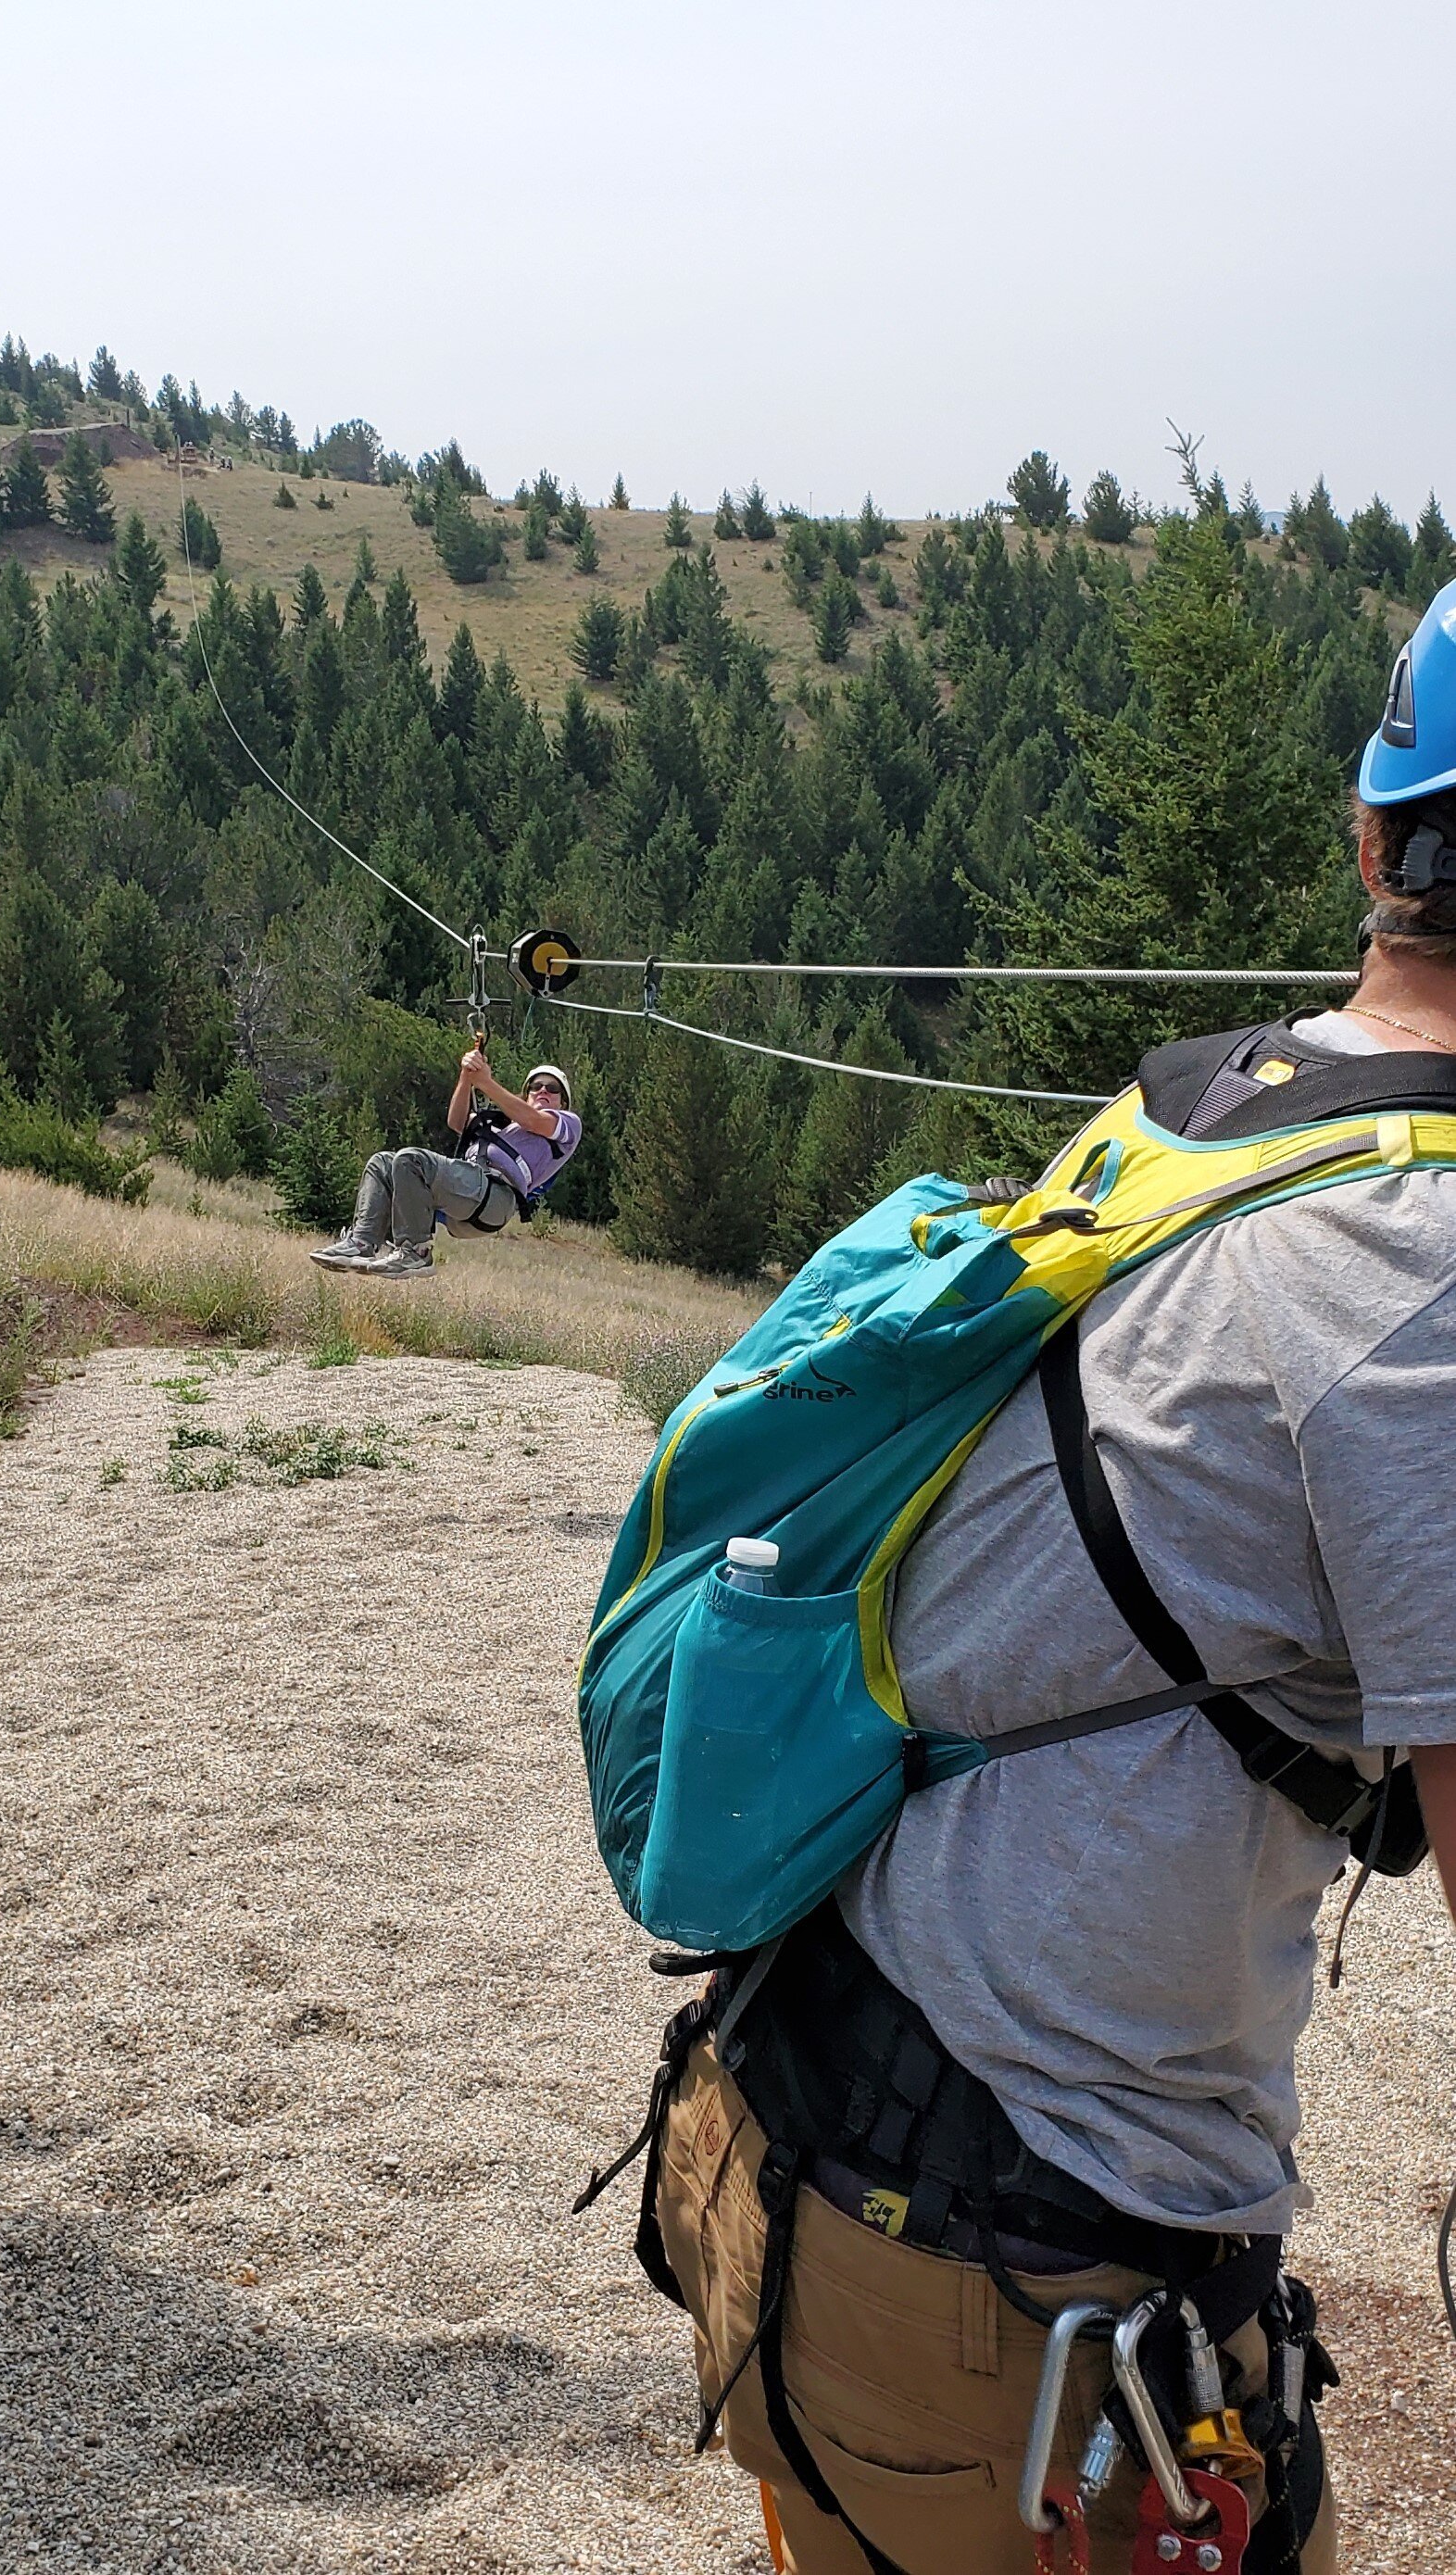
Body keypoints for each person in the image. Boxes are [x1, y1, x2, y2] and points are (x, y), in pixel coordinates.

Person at [645, 590, 1456, 2573]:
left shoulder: (1202, 1114)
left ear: (1367, 849)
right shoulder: (1421, 1269)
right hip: (1024, 2309)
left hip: (795, 2149)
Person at [309, 1055, 580, 1280]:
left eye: (552, 1088)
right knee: (382, 1163)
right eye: (536, 1086)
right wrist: (466, 1077)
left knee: (411, 1159)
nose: (543, 1090)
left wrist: (485, 1081)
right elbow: (457, 1120)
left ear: (563, 1102)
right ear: (527, 1093)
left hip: (496, 1196)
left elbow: (533, 1120)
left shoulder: (567, 1125)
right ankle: (361, 1242)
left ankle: (415, 1252)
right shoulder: (502, 1124)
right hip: (468, 1194)